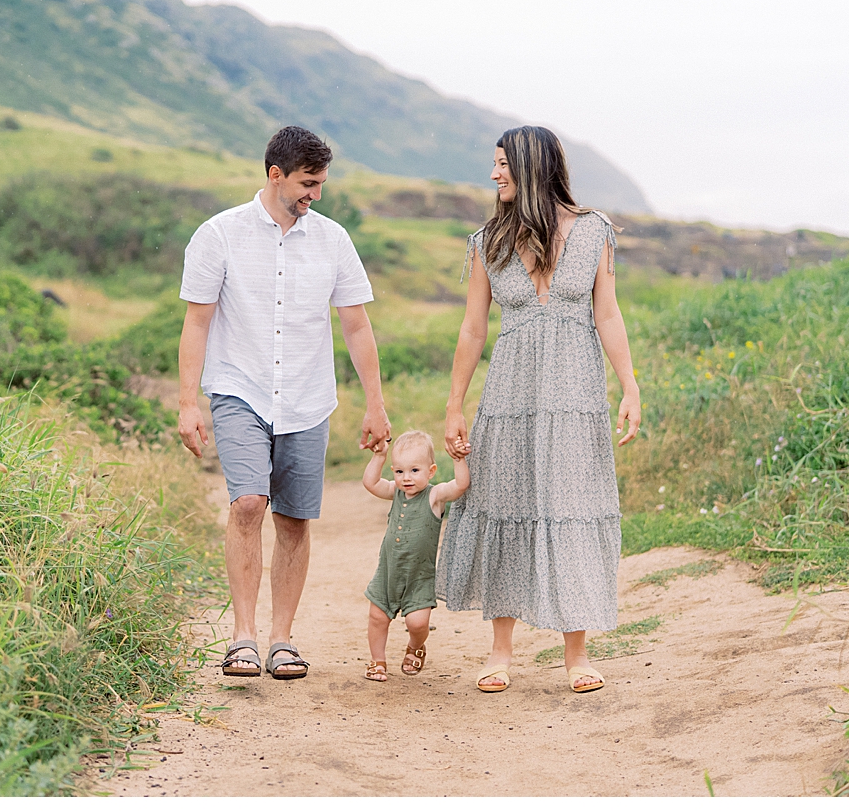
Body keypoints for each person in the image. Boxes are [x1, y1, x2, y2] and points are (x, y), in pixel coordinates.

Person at [177, 125, 392, 680]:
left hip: (306, 395)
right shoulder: (217, 234)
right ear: (276, 174)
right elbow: (196, 322)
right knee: (249, 503)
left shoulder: (333, 240)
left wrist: (375, 404)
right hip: (238, 389)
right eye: (307, 183)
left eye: (320, 184)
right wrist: (186, 403)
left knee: (294, 519)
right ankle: (242, 638)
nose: (314, 194)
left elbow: (356, 325)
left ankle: (281, 640)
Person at [438, 125, 642, 694]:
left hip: (577, 400)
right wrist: (454, 407)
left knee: (574, 509)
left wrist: (629, 387)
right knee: (505, 502)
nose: (495, 173)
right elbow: (473, 329)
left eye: (503, 163)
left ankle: (576, 656)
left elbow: (608, 316)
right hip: (510, 399)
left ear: (530, 166)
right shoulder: (487, 243)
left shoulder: (594, 231)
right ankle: (501, 652)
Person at [360, 430, 470, 682]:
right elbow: (371, 483)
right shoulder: (395, 492)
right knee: (377, 617)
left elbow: (460, 485)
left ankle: (415, 646)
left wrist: (458, 458)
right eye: (399, 472)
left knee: (418, 623)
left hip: (419, 577)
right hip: (388, 572)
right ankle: (377, 661)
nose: (406, 478)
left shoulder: (434, 496)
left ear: (431, 471)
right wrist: (379, 457)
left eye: (414, 471)